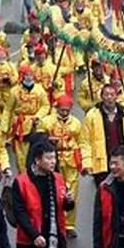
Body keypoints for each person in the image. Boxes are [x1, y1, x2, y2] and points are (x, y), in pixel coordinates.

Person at [12, 141, 74, 248]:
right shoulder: (21, 182)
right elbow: (20, 213)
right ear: (37, 160)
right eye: (49, 158)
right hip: (31, 239)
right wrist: (34, 235)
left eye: (54, 158)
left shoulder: (58, 178)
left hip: (54, 238)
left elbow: (65, 206)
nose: (53, 161)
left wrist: (69, 201)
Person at [37, 95, 83, 238]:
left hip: (70, 159)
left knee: (71, 191)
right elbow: (38, 140)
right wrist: (48, 140)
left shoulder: (76, 123)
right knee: (53, 190)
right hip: (52, 159)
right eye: (61, 110)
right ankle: (55, 221)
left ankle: (69, 224)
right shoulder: (46, 122)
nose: (64, 113)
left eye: (67, 110)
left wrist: (84, 162)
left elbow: (81, 142)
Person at [82, 84, 124, 185]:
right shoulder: (92, 116)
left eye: (112, 94)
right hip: (102, 163)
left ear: (116, 96)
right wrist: (87, 162)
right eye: (106, 94)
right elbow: (85, 142)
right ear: (101, 96)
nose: (109, 98)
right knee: (105, 194)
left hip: (122, 162)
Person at [2, 64, 49, 172]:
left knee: (37, 153)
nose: (29, 77)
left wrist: (38, 116)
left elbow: (45, 105)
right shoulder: (14, 91)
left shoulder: (39, 90)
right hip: (20, 127)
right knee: (21, 158)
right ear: (22, 76)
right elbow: (8, 109)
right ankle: (23, 177)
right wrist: (4, 127)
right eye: (26, 75)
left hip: (35, 125)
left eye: (31, 75)